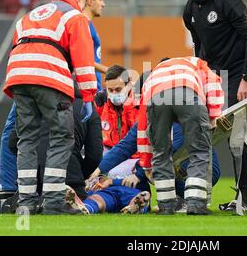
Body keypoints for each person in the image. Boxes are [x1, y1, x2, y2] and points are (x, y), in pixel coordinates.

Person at [3, 0, 97, 215]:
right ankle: (53, 202)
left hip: (18, 76)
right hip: (49, 76)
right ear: (81, 0)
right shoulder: (75, 16)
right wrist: (88, 95)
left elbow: (16, 48)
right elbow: (84, 58)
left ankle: (26, 202)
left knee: (27, 138)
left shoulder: (28, 16)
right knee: (62, 136)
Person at [182, 0, 247, 210]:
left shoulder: (228, 3)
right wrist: (198, 74)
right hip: (212, 78)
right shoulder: (189, 11)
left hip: (238, 75)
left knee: (236, 136)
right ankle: (199, 193)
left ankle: (244, 198)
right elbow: (197, 46)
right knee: (207, 132)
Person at [137, 57, 224, 215]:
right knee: (200, 150)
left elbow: (143, 124)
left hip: (155, 97)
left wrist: (145, 161)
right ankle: (196, 204)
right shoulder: (198, 63)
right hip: (188, 92)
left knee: (161, 153)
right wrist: (213, 116)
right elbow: (213, 82)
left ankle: (166, 206)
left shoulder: (152, 76)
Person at [1, 85, 103, 201]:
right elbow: (95, 156)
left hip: (34, 186)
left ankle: (29, 200)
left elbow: (13, 142)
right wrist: (79, 172)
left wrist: (34, 162)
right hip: (71, 182)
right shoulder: (88, 110)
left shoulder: (35, 105)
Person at [93, 121, 221, 212]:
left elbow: (172, 153)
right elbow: (124, 147)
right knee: (147, 169)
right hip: (184, 167)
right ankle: (172, 199)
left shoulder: (178, 121)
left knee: (151, 169)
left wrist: (139, 172)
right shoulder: (145, 121)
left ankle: (191, 200)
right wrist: (98, 170)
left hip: (206, 171)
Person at [95, 65, 138, 152]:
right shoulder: (100, 101)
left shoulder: (140, 104)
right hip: (107, 151)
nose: (114, 94)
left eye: (118, 90)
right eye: (110, 90)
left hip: (134, 155)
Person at [66, 178, 151, 215]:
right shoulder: (104, 153)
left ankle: (136, 206)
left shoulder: (142, 155)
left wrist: (112, 181)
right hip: (108, 190)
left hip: (134, 189)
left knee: (143, 196)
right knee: (97, 199)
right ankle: (84, 208)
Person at [82, 0, 109, 90]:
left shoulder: (89, 24)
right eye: (100, 0)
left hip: (94, 87)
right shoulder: (82, 24)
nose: (103, 4)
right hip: (85, 88)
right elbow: (81, 60)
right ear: (90, 1)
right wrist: (109, 71)